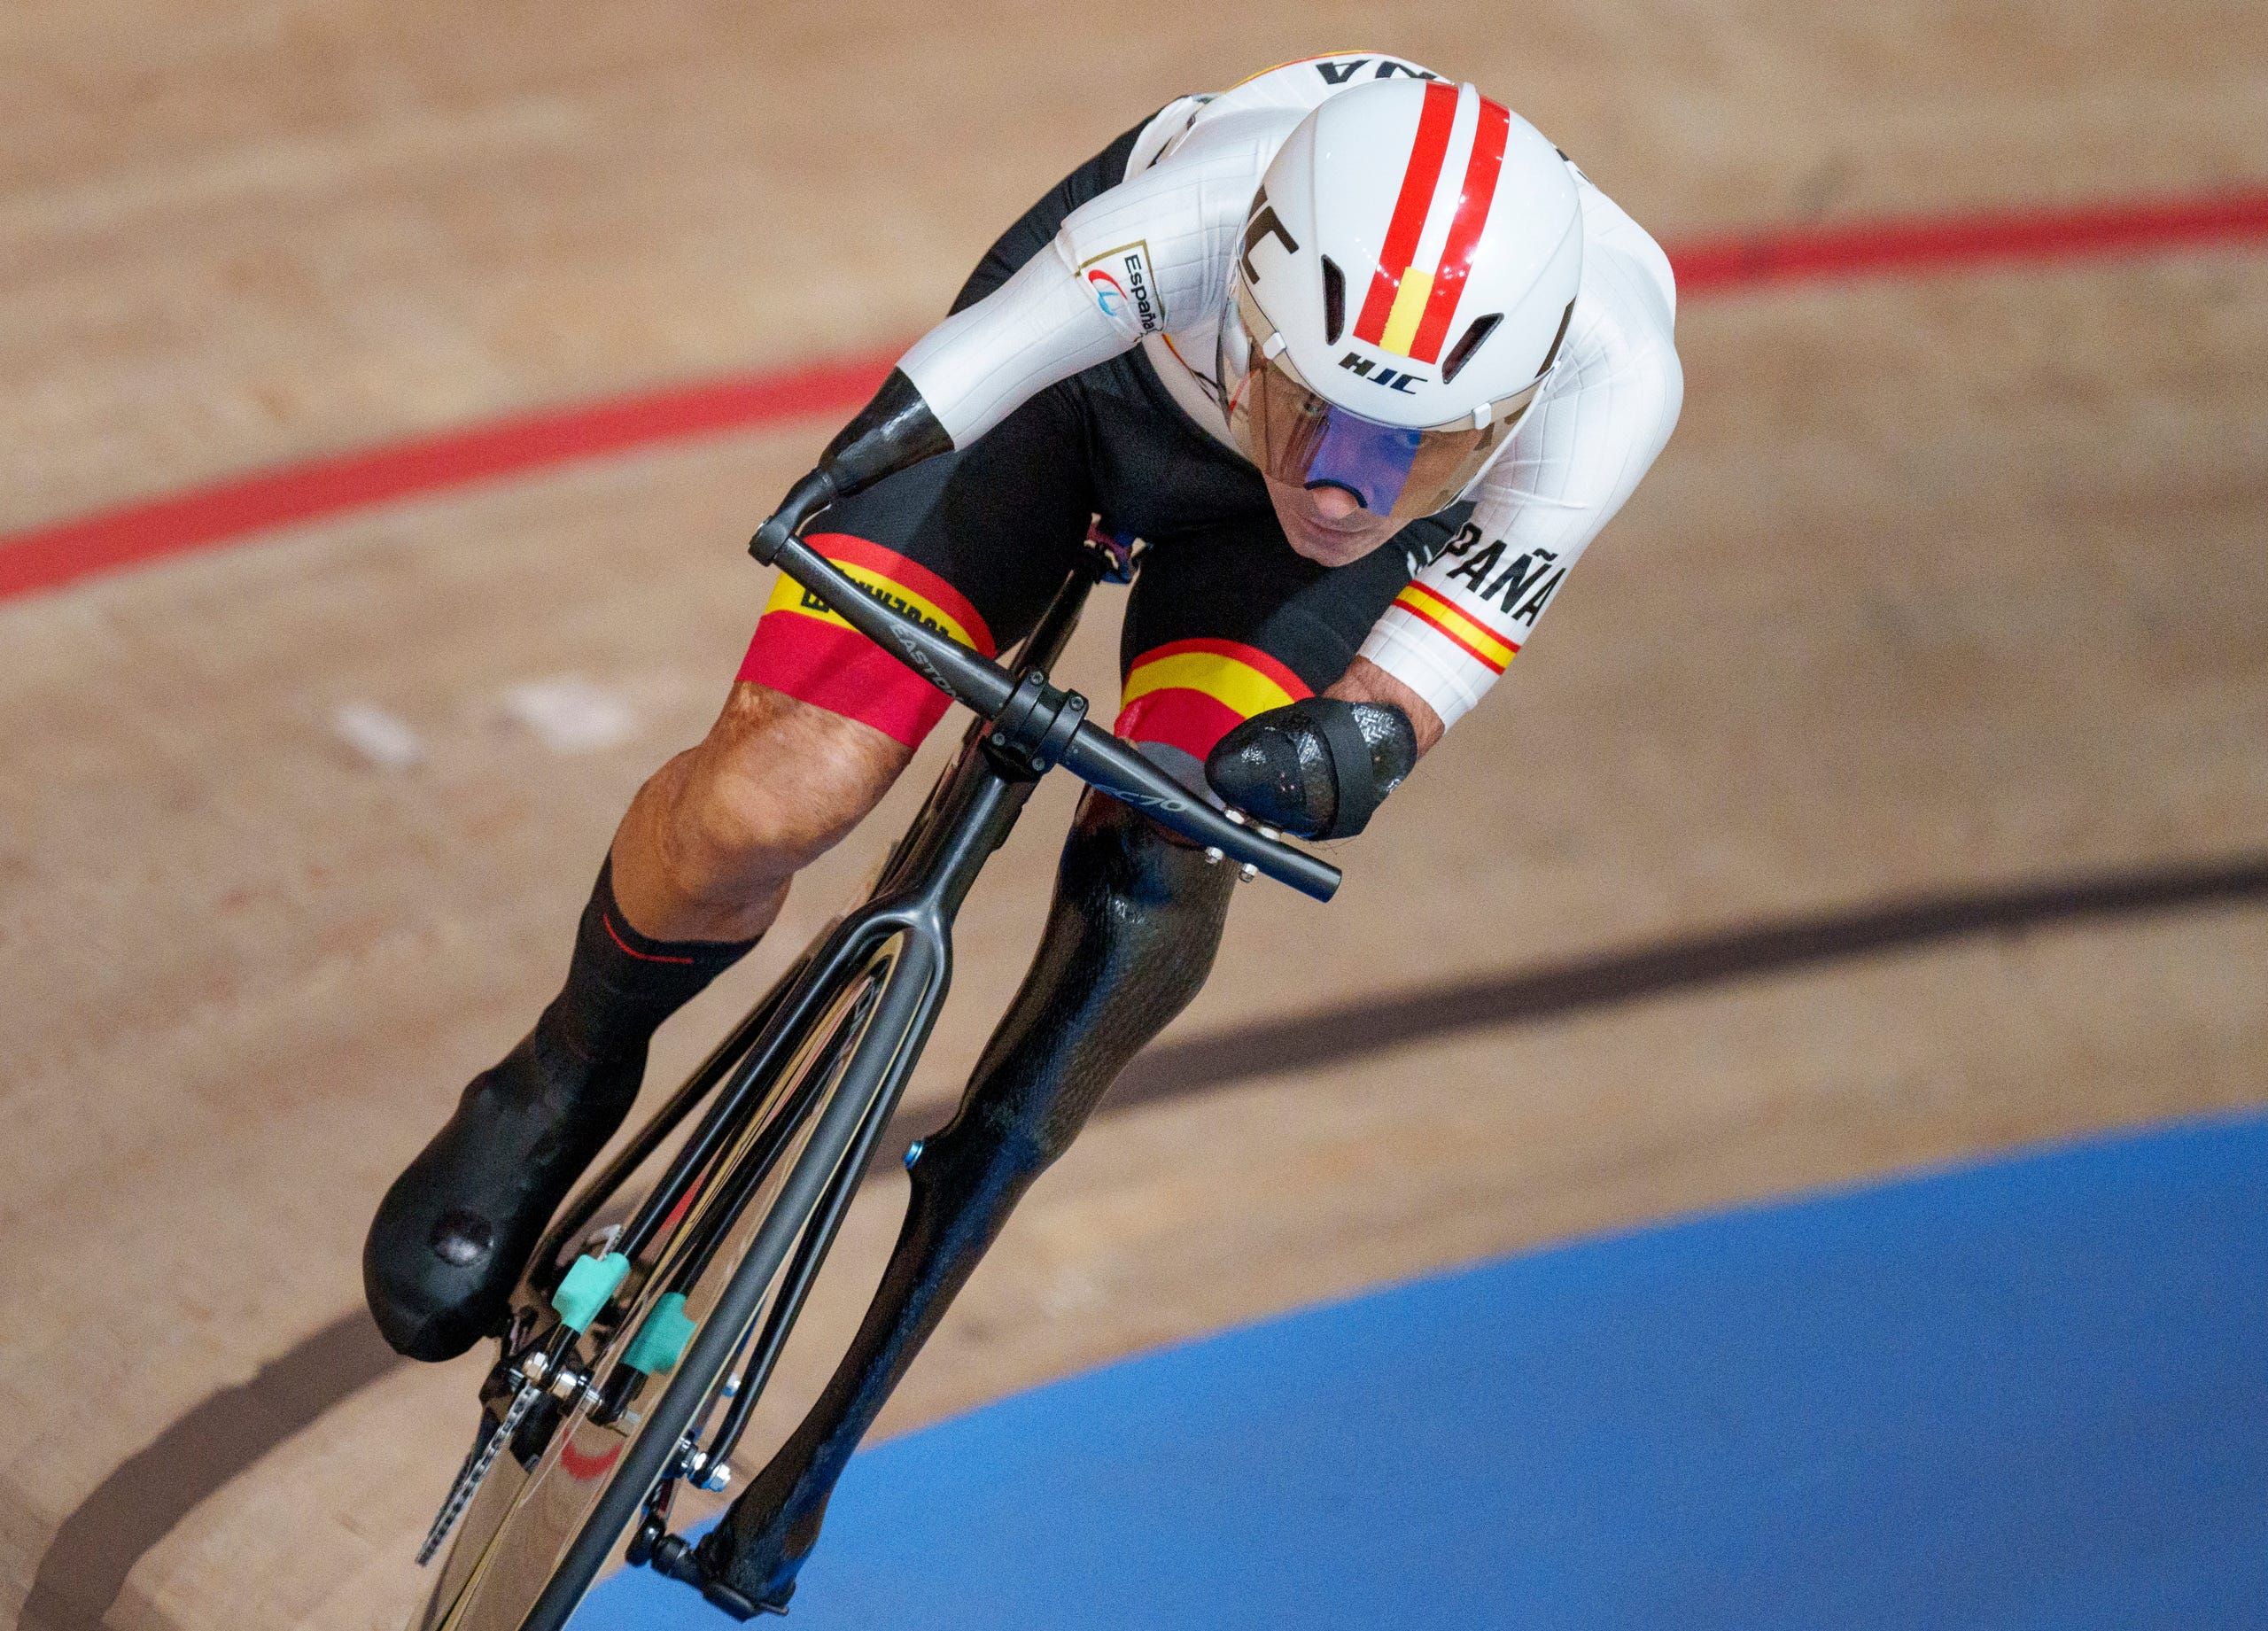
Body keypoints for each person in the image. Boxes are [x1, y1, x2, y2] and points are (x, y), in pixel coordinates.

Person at [366, 52, 1682, 1612]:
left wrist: (1343, 751)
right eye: (1325, 418)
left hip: (1250, 551)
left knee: (1157, 878)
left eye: (1423, 448)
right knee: (772, 793)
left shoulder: (1611, 374)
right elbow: (961, 387)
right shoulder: (1188, 220)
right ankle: (560, 1067)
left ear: (1512, 404)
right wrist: (829, 511)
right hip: (1096, 386)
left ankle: (840, 1419)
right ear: (1258, 304)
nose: (1352, 488)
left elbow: (1397, 703)